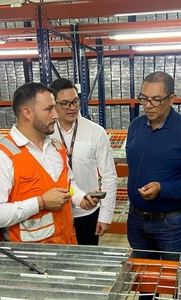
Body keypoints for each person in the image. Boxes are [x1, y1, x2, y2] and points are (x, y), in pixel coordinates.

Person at [0, 82, 100, 244]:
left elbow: (68, 184)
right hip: (27, 257)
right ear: (27, 113)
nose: (56, 115)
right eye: (49, 109)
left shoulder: (56, 148)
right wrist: (40, 203)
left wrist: (80, 199)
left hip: (65, 246)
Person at [126, 71, 181, 261]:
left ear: (172, 98)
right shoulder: (135, 126)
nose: (148, 106)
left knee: (174, 279)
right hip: (136, 220)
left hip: (171, 224)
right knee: (143, 277)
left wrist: (162, 188)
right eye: (144, 99)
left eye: (156, 100)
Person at [50, 78, 117, 245]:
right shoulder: (46, 134)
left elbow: (109, 175)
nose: (72, 107)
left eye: (75, 101)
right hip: (55, 212)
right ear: (54, 105)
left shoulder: (95, 132)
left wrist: (105, 215)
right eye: (65, 103)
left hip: (87, 214)